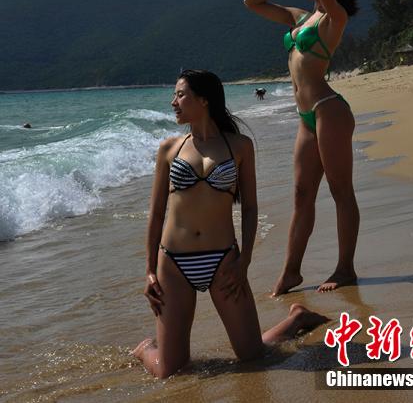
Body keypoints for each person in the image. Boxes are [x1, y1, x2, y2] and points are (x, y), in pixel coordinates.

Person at [132, 69, 327, 379]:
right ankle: (146, 348)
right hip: (173, 263)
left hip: (223, 259)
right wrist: (149, 270)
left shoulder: (240, 146)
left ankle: (297, 318)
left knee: (254, 357)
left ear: (204, 100)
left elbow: (249, 208)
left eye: (180, 95)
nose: (173, 102)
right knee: (170, 372)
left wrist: (244, 260)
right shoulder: (169, 149)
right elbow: (156, 214)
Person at [244, 0, 359, 295]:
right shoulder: (300, 17)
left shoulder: (336, 17)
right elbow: (252, 3)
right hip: (306, 118)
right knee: (301, 194)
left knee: (340, 191)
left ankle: (345, 268)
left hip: (328, 111)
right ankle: (291, 272)